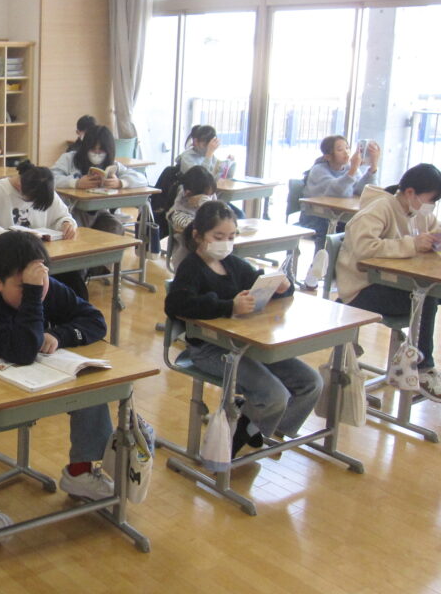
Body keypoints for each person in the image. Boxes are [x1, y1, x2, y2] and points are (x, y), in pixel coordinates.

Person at [0, 231, 114, 532]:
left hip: (21, 376)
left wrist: (59, 334)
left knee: (91, 388)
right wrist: (35, 295)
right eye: (25, 286)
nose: (37, 290)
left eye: (41, 281)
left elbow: (95, 321)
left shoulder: (47, 288)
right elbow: (23, 351)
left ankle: (79, 472)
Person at [165, 200, 323, 456]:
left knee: (311, 383)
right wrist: (228, 306)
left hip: (246, 343)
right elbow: (176, 304)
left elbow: (261, 284)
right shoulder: (191, 267)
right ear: (198, 235)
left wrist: (283, 288)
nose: (225, 243)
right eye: (218, 237)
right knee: (274, 395)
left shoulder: (233, 264)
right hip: (209, 348)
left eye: (231, 237)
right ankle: (236, 442)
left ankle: (257, 428)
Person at [335, 163, 441, 401]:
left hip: (395, 285)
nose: (432, 205)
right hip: (362, 289)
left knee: (433, 292)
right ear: (411, 192)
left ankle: (416, 361)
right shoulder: (379, 209)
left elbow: (436, 231)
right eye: (431, 199)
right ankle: (421, 368)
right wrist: (412, 244)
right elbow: (364, 248)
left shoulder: (420, 214)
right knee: (427, 296)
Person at [0, 160, 85, 299]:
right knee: (31, 286)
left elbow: (63, 216)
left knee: (74, 282)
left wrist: (67, 223)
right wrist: (13, 238)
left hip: (38, 260)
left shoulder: (42, 188)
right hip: (2, 263)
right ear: (21, 186)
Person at [297, 135, 380, 288]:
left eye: (347, 148)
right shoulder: (319, 170)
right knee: (327, 234)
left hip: (337, 215)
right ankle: (314, 273)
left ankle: (339, 274)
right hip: (314, 215)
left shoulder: (348, 168)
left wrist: (373, 166)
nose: (346, 152)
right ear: (328, 156)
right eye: (340, 149)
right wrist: (353, 169)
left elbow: (363, 190)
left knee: (353, 231)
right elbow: (339, 192)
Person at [51, 123, 147, 234]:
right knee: (75, 231)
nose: (96, 154)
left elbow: (142, 179)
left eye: (101, 151)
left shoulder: (112, 165)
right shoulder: (69, 159)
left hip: (99, 213)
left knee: (115, 228)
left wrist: (120, 183)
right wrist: (76, 183)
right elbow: (51, 178)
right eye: (92, 149)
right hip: (72, 211)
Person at [166, 165, 217, 270]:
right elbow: (203, 227)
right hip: (187, 264)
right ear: (188, 194)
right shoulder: (177, 214)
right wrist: (205, 204)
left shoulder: (209, 202)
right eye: (205, 197)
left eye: (211, 196)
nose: (210, 199)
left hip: (210, 259)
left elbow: (222, 218)